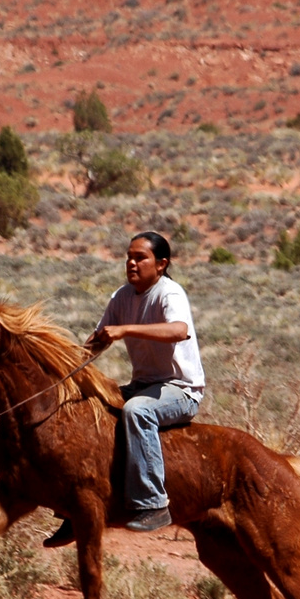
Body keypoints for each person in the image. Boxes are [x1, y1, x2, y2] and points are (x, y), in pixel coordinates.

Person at [44, 231, 204, 548]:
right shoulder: (121, 297)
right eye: (129, 257)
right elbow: (97, 342)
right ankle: (74, 510)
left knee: (137, 411)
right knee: (88, 407)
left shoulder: (170, 294)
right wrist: (62, 368)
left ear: (161, 264)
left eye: (140, 257)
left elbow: (178, 331)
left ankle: (153, 503)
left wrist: (126, 329)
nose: (131, 263)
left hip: (180, 390)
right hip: (145, 385)